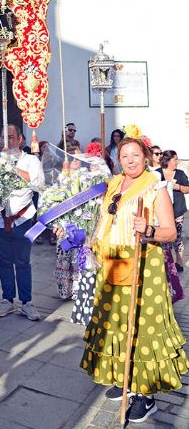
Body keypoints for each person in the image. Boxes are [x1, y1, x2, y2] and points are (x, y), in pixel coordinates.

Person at [81, 136, 189, 423]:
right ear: (118, 159)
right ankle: (124, 376)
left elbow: (170, 233)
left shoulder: (156, 188)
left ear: (145, 157)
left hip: (143, 266)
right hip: (113, 262)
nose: (130, 160)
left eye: (135, 155)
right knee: (116, 321)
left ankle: (145, 395)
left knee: (141, 326)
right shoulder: (114, 184)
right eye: (124, 156)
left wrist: (149, 227)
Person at [0, 124, 44, 321]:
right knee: (4, 262)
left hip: (22, 219)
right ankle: (7, 300)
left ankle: (26, 302)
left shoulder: (31, 160)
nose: (8, 142)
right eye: (4, 138)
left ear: (20, 139)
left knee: (22, 262)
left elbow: (38, 184)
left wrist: (13, 168)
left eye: (11, 137)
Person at [159, 150, 189, 272]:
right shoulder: (157, 173)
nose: (177, 161)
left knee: (177, 235)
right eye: (175, 159)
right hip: (161, 211)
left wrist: (179, 187)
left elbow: (188, 189)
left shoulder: (180, 174)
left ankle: (179, 262)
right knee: (163, 236)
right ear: (168, 160)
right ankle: (164, 261)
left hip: (177, 210)